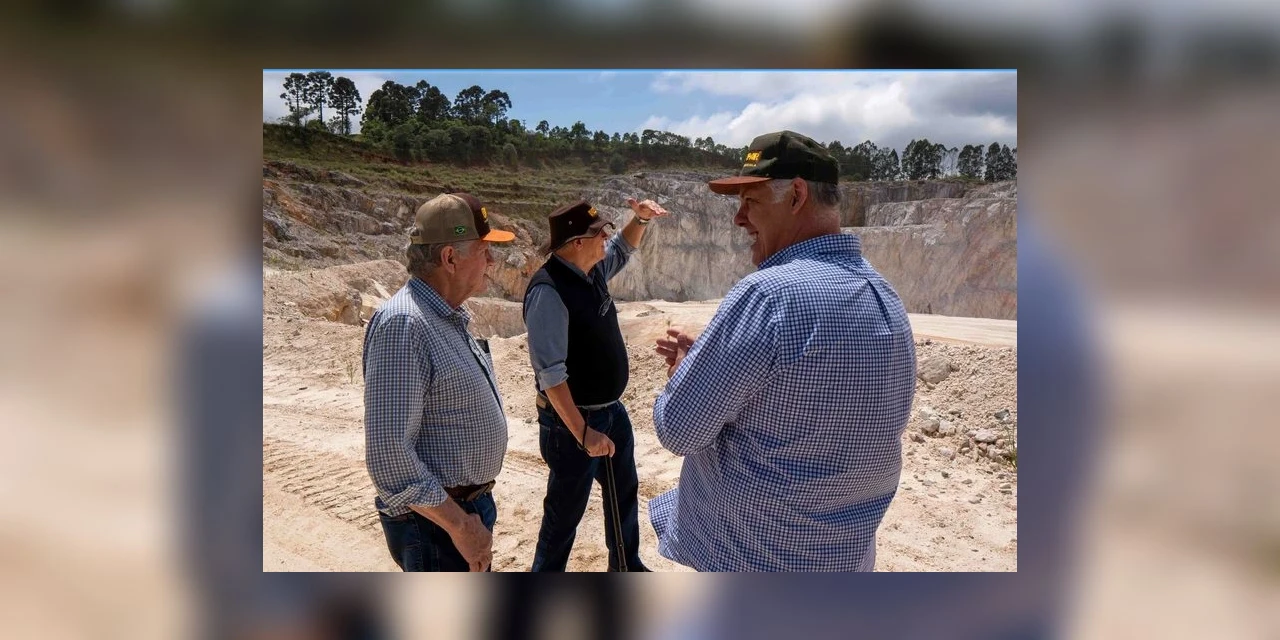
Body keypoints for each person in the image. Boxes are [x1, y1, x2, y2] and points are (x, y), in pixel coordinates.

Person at [649, 130, 917, 571]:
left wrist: (684, 369)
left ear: (796, 195)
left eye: (750, 202)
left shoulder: (767, 296)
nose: (739, 219)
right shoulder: (884, 297)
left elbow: (678, 430)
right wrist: (721, 359)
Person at [362, 192, 515, 572]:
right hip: (437, 524)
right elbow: (388, 454)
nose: (491, 261)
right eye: (483, 250)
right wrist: (461, 526)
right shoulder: (405, 325)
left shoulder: (443, 315)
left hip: (459, 511)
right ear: (450, 258)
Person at [523, 197, 668, 571]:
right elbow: (551, 376)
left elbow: (623, 247)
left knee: (623, 493)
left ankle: (625, 566)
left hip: (610, 412)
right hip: (572, 423)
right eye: (598, 233)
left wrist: (640, 219)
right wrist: (584, 434)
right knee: (564, 514)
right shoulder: (548, 292)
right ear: (576, 243)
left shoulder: (592, 270)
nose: (606, 237)